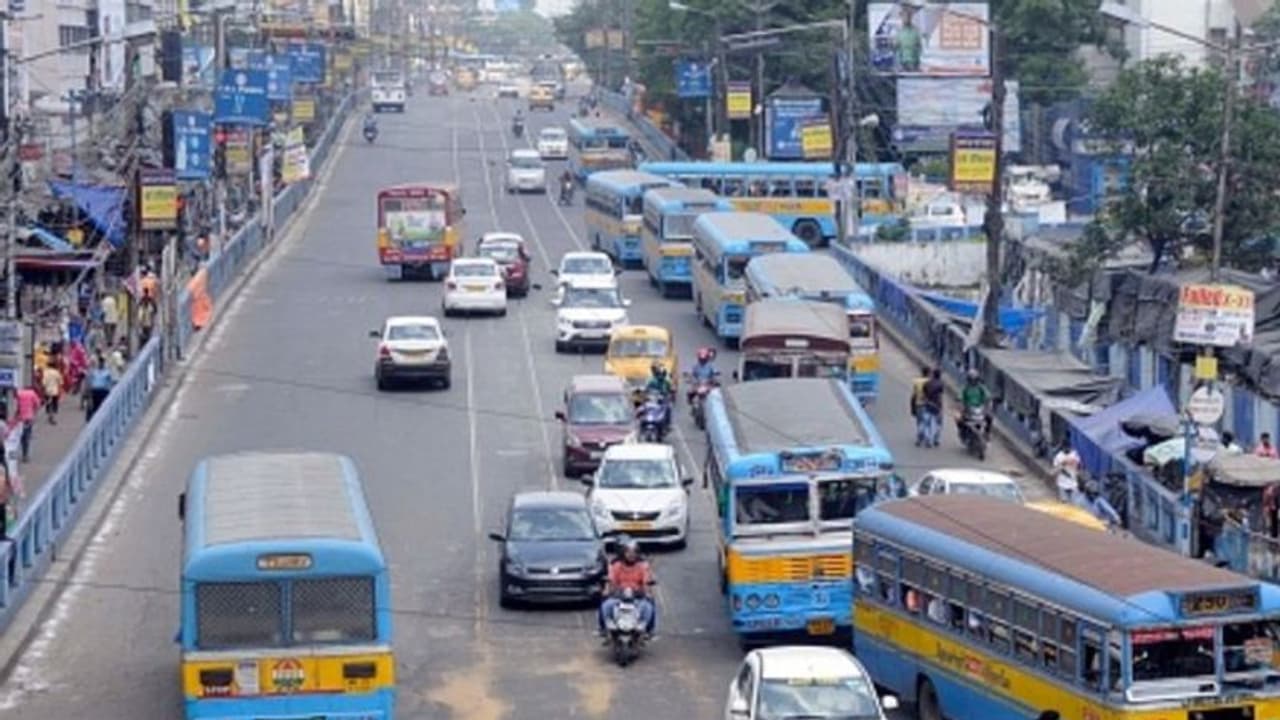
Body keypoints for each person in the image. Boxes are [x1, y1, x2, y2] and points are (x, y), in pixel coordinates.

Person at [598, 538, 656, 636]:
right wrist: (607, 590)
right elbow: (611, 579)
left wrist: (647, 592)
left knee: (649, 606)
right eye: (628, 552)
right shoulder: (616, 565)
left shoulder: (642, 566)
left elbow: (646, 581)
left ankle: (649, 630)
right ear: (623, 553)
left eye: (634, 552)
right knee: (605, 605)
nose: (631, 555)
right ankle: (603, 628)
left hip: (637, 597)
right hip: (619, 596)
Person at [14, 386, 40, 462]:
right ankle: (25, 455)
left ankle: (18, 453)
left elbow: (18, 406)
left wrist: (16, 415)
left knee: (20, 436)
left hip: (20, 418)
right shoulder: (32, 393)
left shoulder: (20, 394)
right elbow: (37, 404)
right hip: (29, 418)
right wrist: (34, 411)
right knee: (27, 436)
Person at [921, 368, 945, 448]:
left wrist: (924, 401)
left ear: (933, 375)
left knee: (927, 423)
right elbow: (940, 397)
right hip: (937, 405)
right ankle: (934, 439)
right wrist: (941, 407)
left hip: (927, 404)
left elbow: (923, 395)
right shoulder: (941, 384)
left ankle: (928, 439)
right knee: (937, 423)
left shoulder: (927, 383)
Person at [86, 355, 114, 421]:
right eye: (100, 362)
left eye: (102, 362)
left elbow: (111, 382)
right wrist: (89, 393)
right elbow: (90, 382)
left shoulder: (107, 372)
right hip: (95, 391)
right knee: (94, 407)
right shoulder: (94, 371)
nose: (101, 363)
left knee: (102, 407)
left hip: (104, 391)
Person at [910, 366, 929, 446]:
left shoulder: (916, 381)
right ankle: (925, 437)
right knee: (926, 422)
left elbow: (914, 394)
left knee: (919, 422)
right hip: (928, 404)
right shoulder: (930, 381)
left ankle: (920, 437)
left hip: (918, 403)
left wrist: (912, 406)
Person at [41, 360, 64, 426]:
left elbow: (44, 382)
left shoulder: (46, 372)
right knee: (54, 404)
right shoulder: (56, 372)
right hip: (55, 391)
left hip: (47, 391)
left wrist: (43, 388)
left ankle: (49, 416)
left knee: (48, 404)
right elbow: (61, 382)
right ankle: (52, 417)